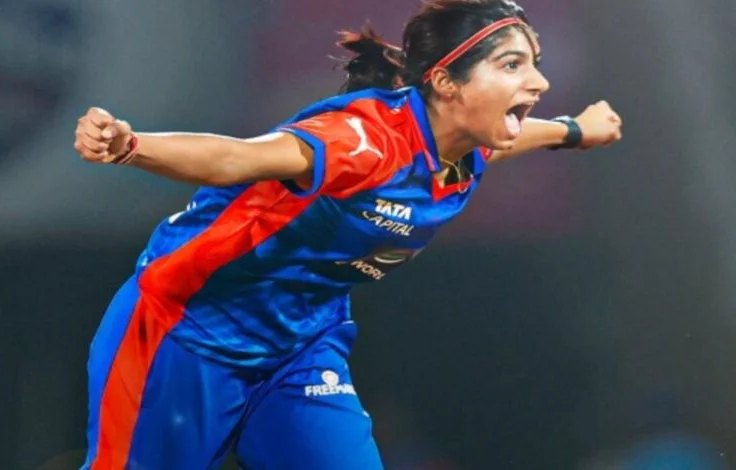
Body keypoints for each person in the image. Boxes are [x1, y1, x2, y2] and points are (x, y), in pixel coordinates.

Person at [73, 0, 622, 468]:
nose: (539, 82)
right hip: (185, 331)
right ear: (446, 82)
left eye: (535, 64)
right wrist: (130, 146)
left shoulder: (468, 144)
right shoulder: (362, 141)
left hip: (301, 347)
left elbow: (513, 139)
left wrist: (575, 130)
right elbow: (234, 158)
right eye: (512, 65)